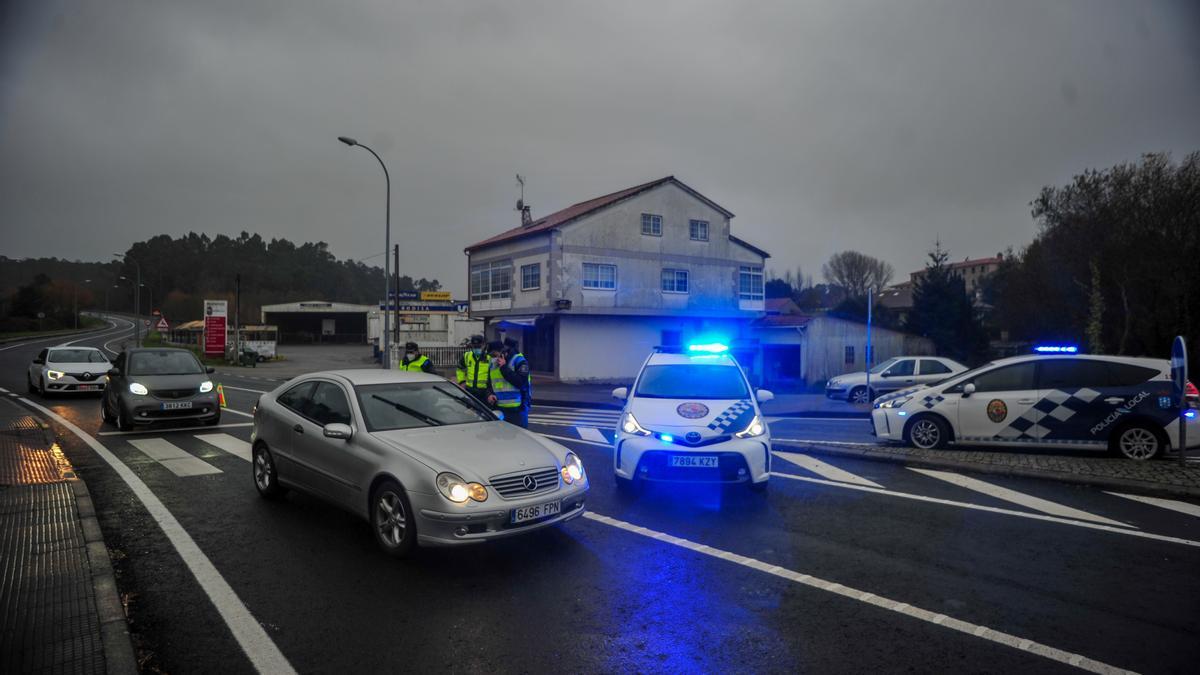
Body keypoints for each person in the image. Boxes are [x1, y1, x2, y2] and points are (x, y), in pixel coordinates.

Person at [487, 338, 531, 428]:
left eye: (494, 355)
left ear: (503, 352)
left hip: (518, 408)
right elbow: (489, 383)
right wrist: (490, 394)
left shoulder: (519, 361)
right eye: (491, 356)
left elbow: (520, 383)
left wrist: (504, 367)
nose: (493, 358)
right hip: (500, 408)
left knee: (519, 437)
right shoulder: (493, 363)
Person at [456, 335, 489, 403]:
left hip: (484, 392)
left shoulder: (488, 357)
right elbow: (460, 369)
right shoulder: (467, 356)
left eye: (478, 346)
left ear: (483, 345)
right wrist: (462, 382)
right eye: (474, 346)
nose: (476, 348)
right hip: (470, 391)